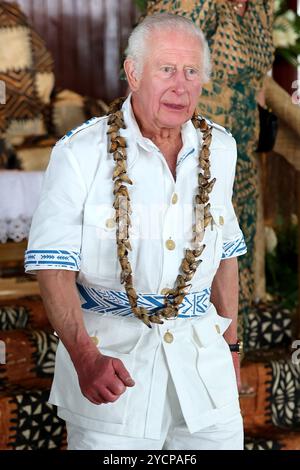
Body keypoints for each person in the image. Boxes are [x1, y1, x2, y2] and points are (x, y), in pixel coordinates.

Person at [25, 13, 247, 450]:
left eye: (191, 72)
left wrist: (233, 350)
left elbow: (226, 253)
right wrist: (85, 357)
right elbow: (53, 268)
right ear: (133, 73)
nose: (180, 86)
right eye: (166, 69)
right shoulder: (80, 152)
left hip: (205, 376)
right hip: (115, 373)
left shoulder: (221, 148)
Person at [146, 0, 275, 343]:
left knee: (236, 262)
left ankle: (231, 361)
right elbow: (151, 73)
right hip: (190, 154)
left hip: (238, 156)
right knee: (193, 261)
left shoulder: (261, 7)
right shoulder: (192, 3)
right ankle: (184, 362)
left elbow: (259, 80)